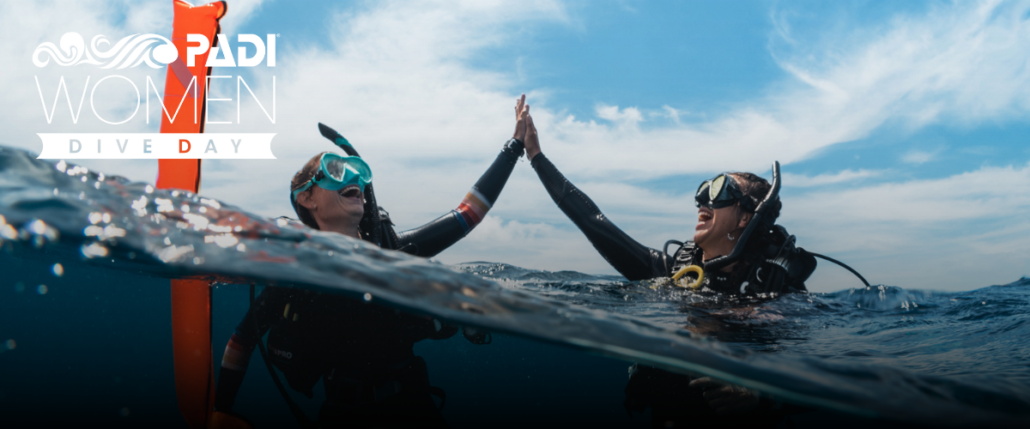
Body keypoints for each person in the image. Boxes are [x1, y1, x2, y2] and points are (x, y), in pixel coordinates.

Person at [209, 97, 533, 428]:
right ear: (306, 198)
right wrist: (223, 408)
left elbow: (468, 214)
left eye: (357, 173)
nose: (355, 180)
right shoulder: (296, 272)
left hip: (415, 410)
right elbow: (242, 338)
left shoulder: (393, 251)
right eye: (337, 170)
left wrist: (514, 147)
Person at [518, 105, 815, 427]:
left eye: (719, 190)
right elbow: (592, 221)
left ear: (746, 217)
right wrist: (536, 156)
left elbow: (814, 374)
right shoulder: (675, 272)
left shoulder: (777, 291)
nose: (702, 201)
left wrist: (759, 394)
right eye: (703, 191)